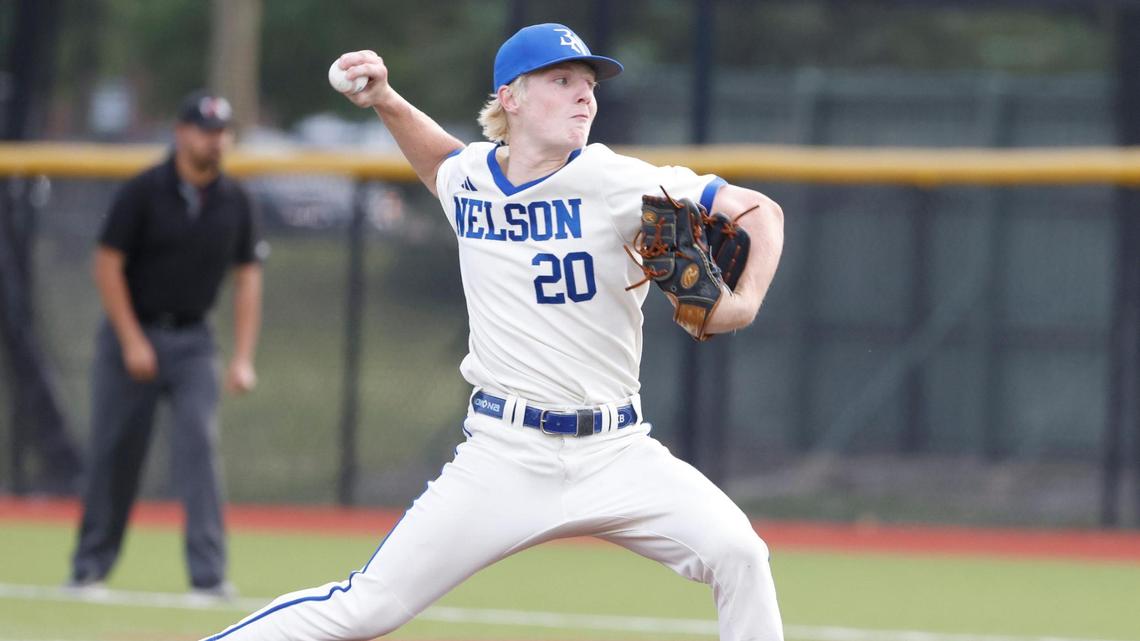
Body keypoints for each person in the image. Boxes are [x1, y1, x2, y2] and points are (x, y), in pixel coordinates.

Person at [204, 22, 784, 641]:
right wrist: (386, 100)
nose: (584, 95)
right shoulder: (474, 178)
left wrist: (744, 302)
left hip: (616, 450)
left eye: (589, 84)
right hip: (506, 453)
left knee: (740, 556)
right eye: (562, 81)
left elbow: (760, 212)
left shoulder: (618, 180)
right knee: (366, 607)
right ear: (510, 98)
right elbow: (439, 165)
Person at [69, 91, 264, 598]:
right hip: (130, 337)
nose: (213, 140)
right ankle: (89, 569)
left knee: (199, 447)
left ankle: (208, 577)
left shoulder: (235, 200)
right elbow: (106, 266)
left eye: (221, 131)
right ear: (181, 133)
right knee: (117, 452)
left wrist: (242, 357)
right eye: (204, 130)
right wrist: (133, 341)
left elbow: (248, 278)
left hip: (194, 340)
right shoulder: (143, 191)